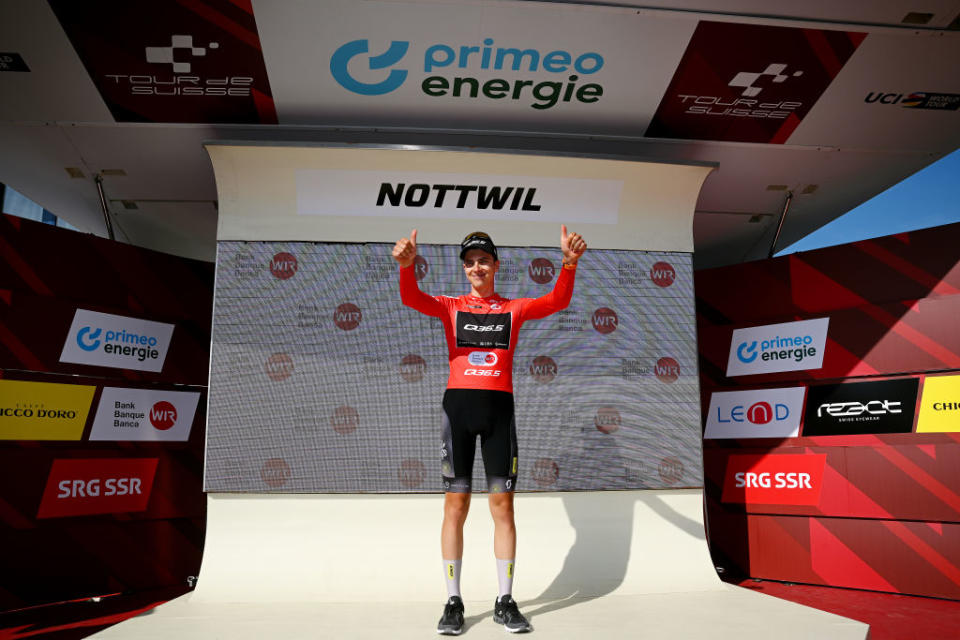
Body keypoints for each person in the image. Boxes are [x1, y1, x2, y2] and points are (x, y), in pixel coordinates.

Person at [392, 226, 587, 634]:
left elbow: (556, 301)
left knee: (503, 507)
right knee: (455, 507)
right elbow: (412, 298)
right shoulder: (450, 306)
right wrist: (408, 268)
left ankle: (505, 600)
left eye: (483, 260)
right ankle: (453, 602)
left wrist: (568, 264)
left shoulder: (513, 308)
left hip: (500, 411)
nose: (476, 267)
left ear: (495, 265)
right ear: (464, 270)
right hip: (458, 412)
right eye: (470, 262)